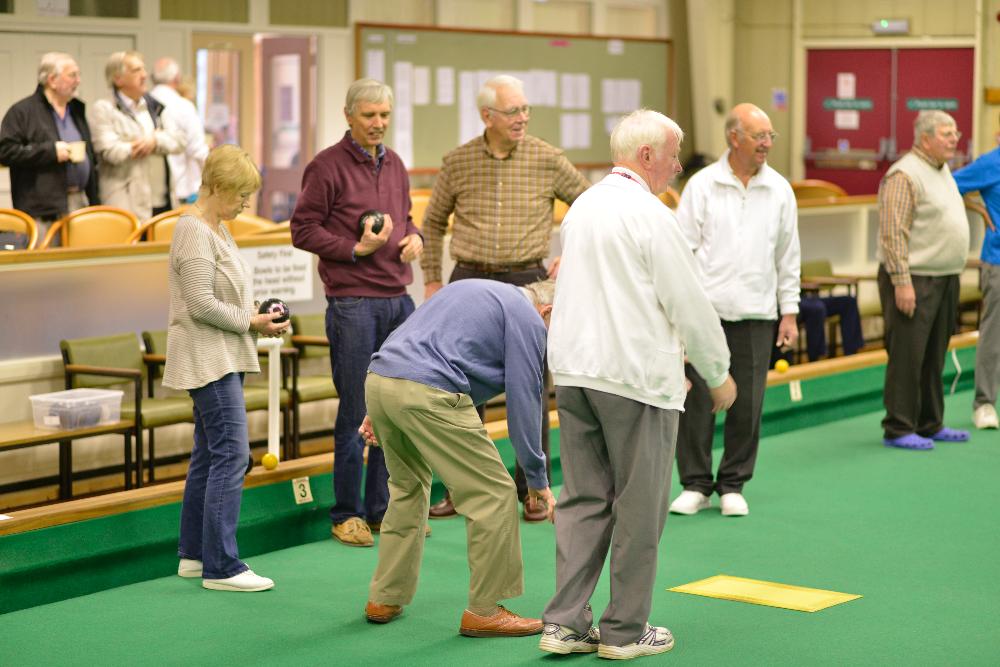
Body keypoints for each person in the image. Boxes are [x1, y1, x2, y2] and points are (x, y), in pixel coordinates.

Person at [540, 109, 736, 660]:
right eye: (673, 155)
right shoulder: (652, 215)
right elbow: (688, 302)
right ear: (646, 156)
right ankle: (625, 631)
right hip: (634, 378)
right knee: (640, 506)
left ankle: (565, 624)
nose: (678, 167)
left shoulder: (582, 208)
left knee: (582, 500)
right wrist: (717, 372)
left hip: (576, 374)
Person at [419, 74, 590, 522]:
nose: (523, 118)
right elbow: (432, 223)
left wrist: (572, 253)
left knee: (529, 389)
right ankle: (461, 489)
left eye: (526, 109)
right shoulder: (458, 162)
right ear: (487, 116)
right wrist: (432, 280)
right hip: (469, 282)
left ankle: (534, 490)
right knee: (459, 391)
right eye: (513, 111)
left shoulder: (548, 158)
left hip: (527, 281)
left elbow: (591, 207)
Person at [362, 278, 557, 637]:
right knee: (494, 493)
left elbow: (409, 334)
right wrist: (537, 478)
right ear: (547, 311)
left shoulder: (473, 289)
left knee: (406, 488)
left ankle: (385, 597)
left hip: (380, 379)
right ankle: (486, 610)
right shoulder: (529, 319)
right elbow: (525, 400)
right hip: (428, 390)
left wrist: (381, 405)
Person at [290, 79, 423, 548]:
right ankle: (347, 513)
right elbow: (302, 230)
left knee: (396, 407)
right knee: (356, 409)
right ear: (348, 116)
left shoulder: (397, 164)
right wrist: (353, 249)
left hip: (398, 299)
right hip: (352, 303)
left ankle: (382, 509)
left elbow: (406, 217)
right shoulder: (326, 166)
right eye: (369, 115)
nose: (378, 123)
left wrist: (415, 237)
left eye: (384, 114)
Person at [163, 144, 289, 591]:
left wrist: (259, 315)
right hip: (208, 358)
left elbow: (221, 296)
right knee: (233, 455)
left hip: (222, 354)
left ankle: (195, 556)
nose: (245, 204)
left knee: (208, 456)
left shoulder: (216, 228)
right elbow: (200, 303)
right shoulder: (193, 230)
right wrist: (251, 322)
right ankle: (222, 567)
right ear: (217, 187)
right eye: (240, 194)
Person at [671, 102, 800, 517]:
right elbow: (682, 251)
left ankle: (733, 483)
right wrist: (679, 314)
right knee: (695, 403)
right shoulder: (702, 185)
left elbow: (788, 255)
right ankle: (695, 484)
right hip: (704, 315)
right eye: (759, 136)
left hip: (758, 314)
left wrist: (790, 312)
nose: (766, 143)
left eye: (769, 136)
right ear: (734, 137)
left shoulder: (779, 189)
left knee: (748, 403)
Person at [876, 110, 971, 449]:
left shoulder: (942, 170)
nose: (955, 139)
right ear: (925, 139)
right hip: (913, 279)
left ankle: (930, 423)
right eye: (947, 133)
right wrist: (902, 282)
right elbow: (893, 233)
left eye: (955, 133)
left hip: (944, 277)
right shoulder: (904, 173)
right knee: (908, 354)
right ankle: (899, 427)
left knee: (934, 356)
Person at [0, 52, 99, 247]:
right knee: (46, 261)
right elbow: (6, 152)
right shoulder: (23, 111)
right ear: (52, 80)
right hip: (41, 209)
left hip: (78, 202)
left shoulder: (76, 111)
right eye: (72, 75)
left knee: (80, 261)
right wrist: (50, 152)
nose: (78, 81)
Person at [89, 50, 185, 221]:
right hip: (125, 206)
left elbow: (179, 140)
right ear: (118, 79)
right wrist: (140, 144)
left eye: (144, 69)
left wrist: (155, 140)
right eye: (136, 70)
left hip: (162, 202)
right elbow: (111, 152)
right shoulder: (104, 109)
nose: (144, 75)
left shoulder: (154, 107)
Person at [953, 129, 1000, 430]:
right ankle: (984, 404)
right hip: (998, 261)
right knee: (995, 335)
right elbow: (948, 185)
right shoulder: (990, 163)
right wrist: (979, 208)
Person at [150, 57, 210, 205]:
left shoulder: (143, 104)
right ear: (177, 78)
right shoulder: (183, 106)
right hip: (182, 192)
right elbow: (198, 149)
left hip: (153, 192)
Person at [797, 293, 864, 361]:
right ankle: (817, 360)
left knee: (849, 302)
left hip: (810, 297)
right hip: (795, 302)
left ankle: (852, 355)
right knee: (817, 308)